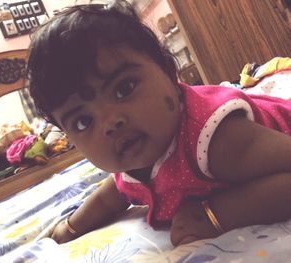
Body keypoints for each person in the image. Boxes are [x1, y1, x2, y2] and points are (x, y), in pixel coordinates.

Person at [26, 0, 291, 246]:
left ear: (168, 70)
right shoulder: (133, 159)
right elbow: (113, 194)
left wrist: (217, 214)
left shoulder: (215, 138)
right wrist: (69, 229)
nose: (110, 122)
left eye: (124, 88)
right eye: (83, 121)